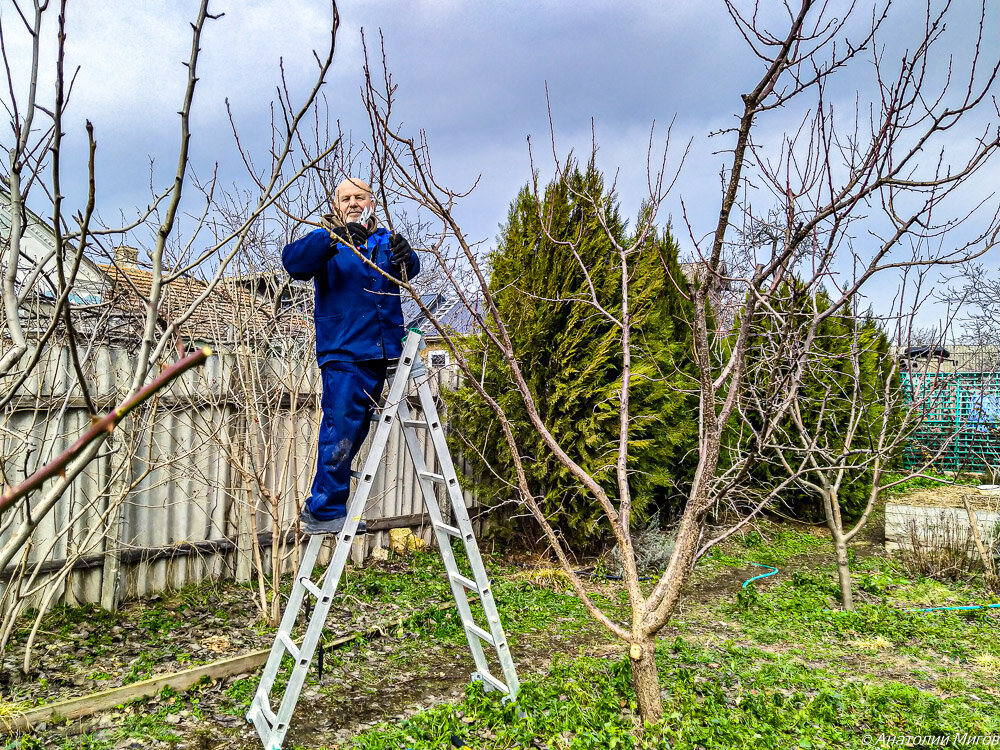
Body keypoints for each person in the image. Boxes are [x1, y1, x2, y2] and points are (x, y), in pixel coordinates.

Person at [282, 178, 420, 534]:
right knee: (339, 429)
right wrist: (336, 237)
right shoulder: (326, 241)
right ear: (336, 203)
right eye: (346, 198)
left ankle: (330, 506)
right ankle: (324, 511)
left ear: (371, 200)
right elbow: (293, 263)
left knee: (356, 432)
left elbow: (407, 274)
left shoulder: (385, 240)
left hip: (385, 351)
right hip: (344, 352)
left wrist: (409, 256)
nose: (354, 202)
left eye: (360, 196)